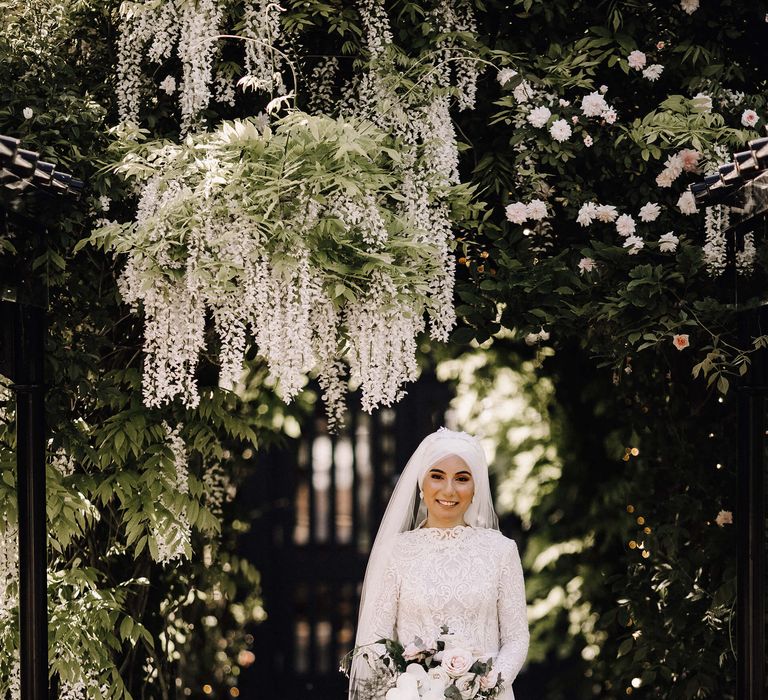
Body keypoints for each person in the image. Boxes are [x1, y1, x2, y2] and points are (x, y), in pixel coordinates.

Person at [349, 428, 529, 699]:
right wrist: (412, 690)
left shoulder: (501, 550)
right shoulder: (395, 552)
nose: (449, 489)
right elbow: (375, 641)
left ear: (475, 486)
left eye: (462, 478)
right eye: (437, 476)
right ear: (422, 484)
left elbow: (516, 638)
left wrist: (487, 688)